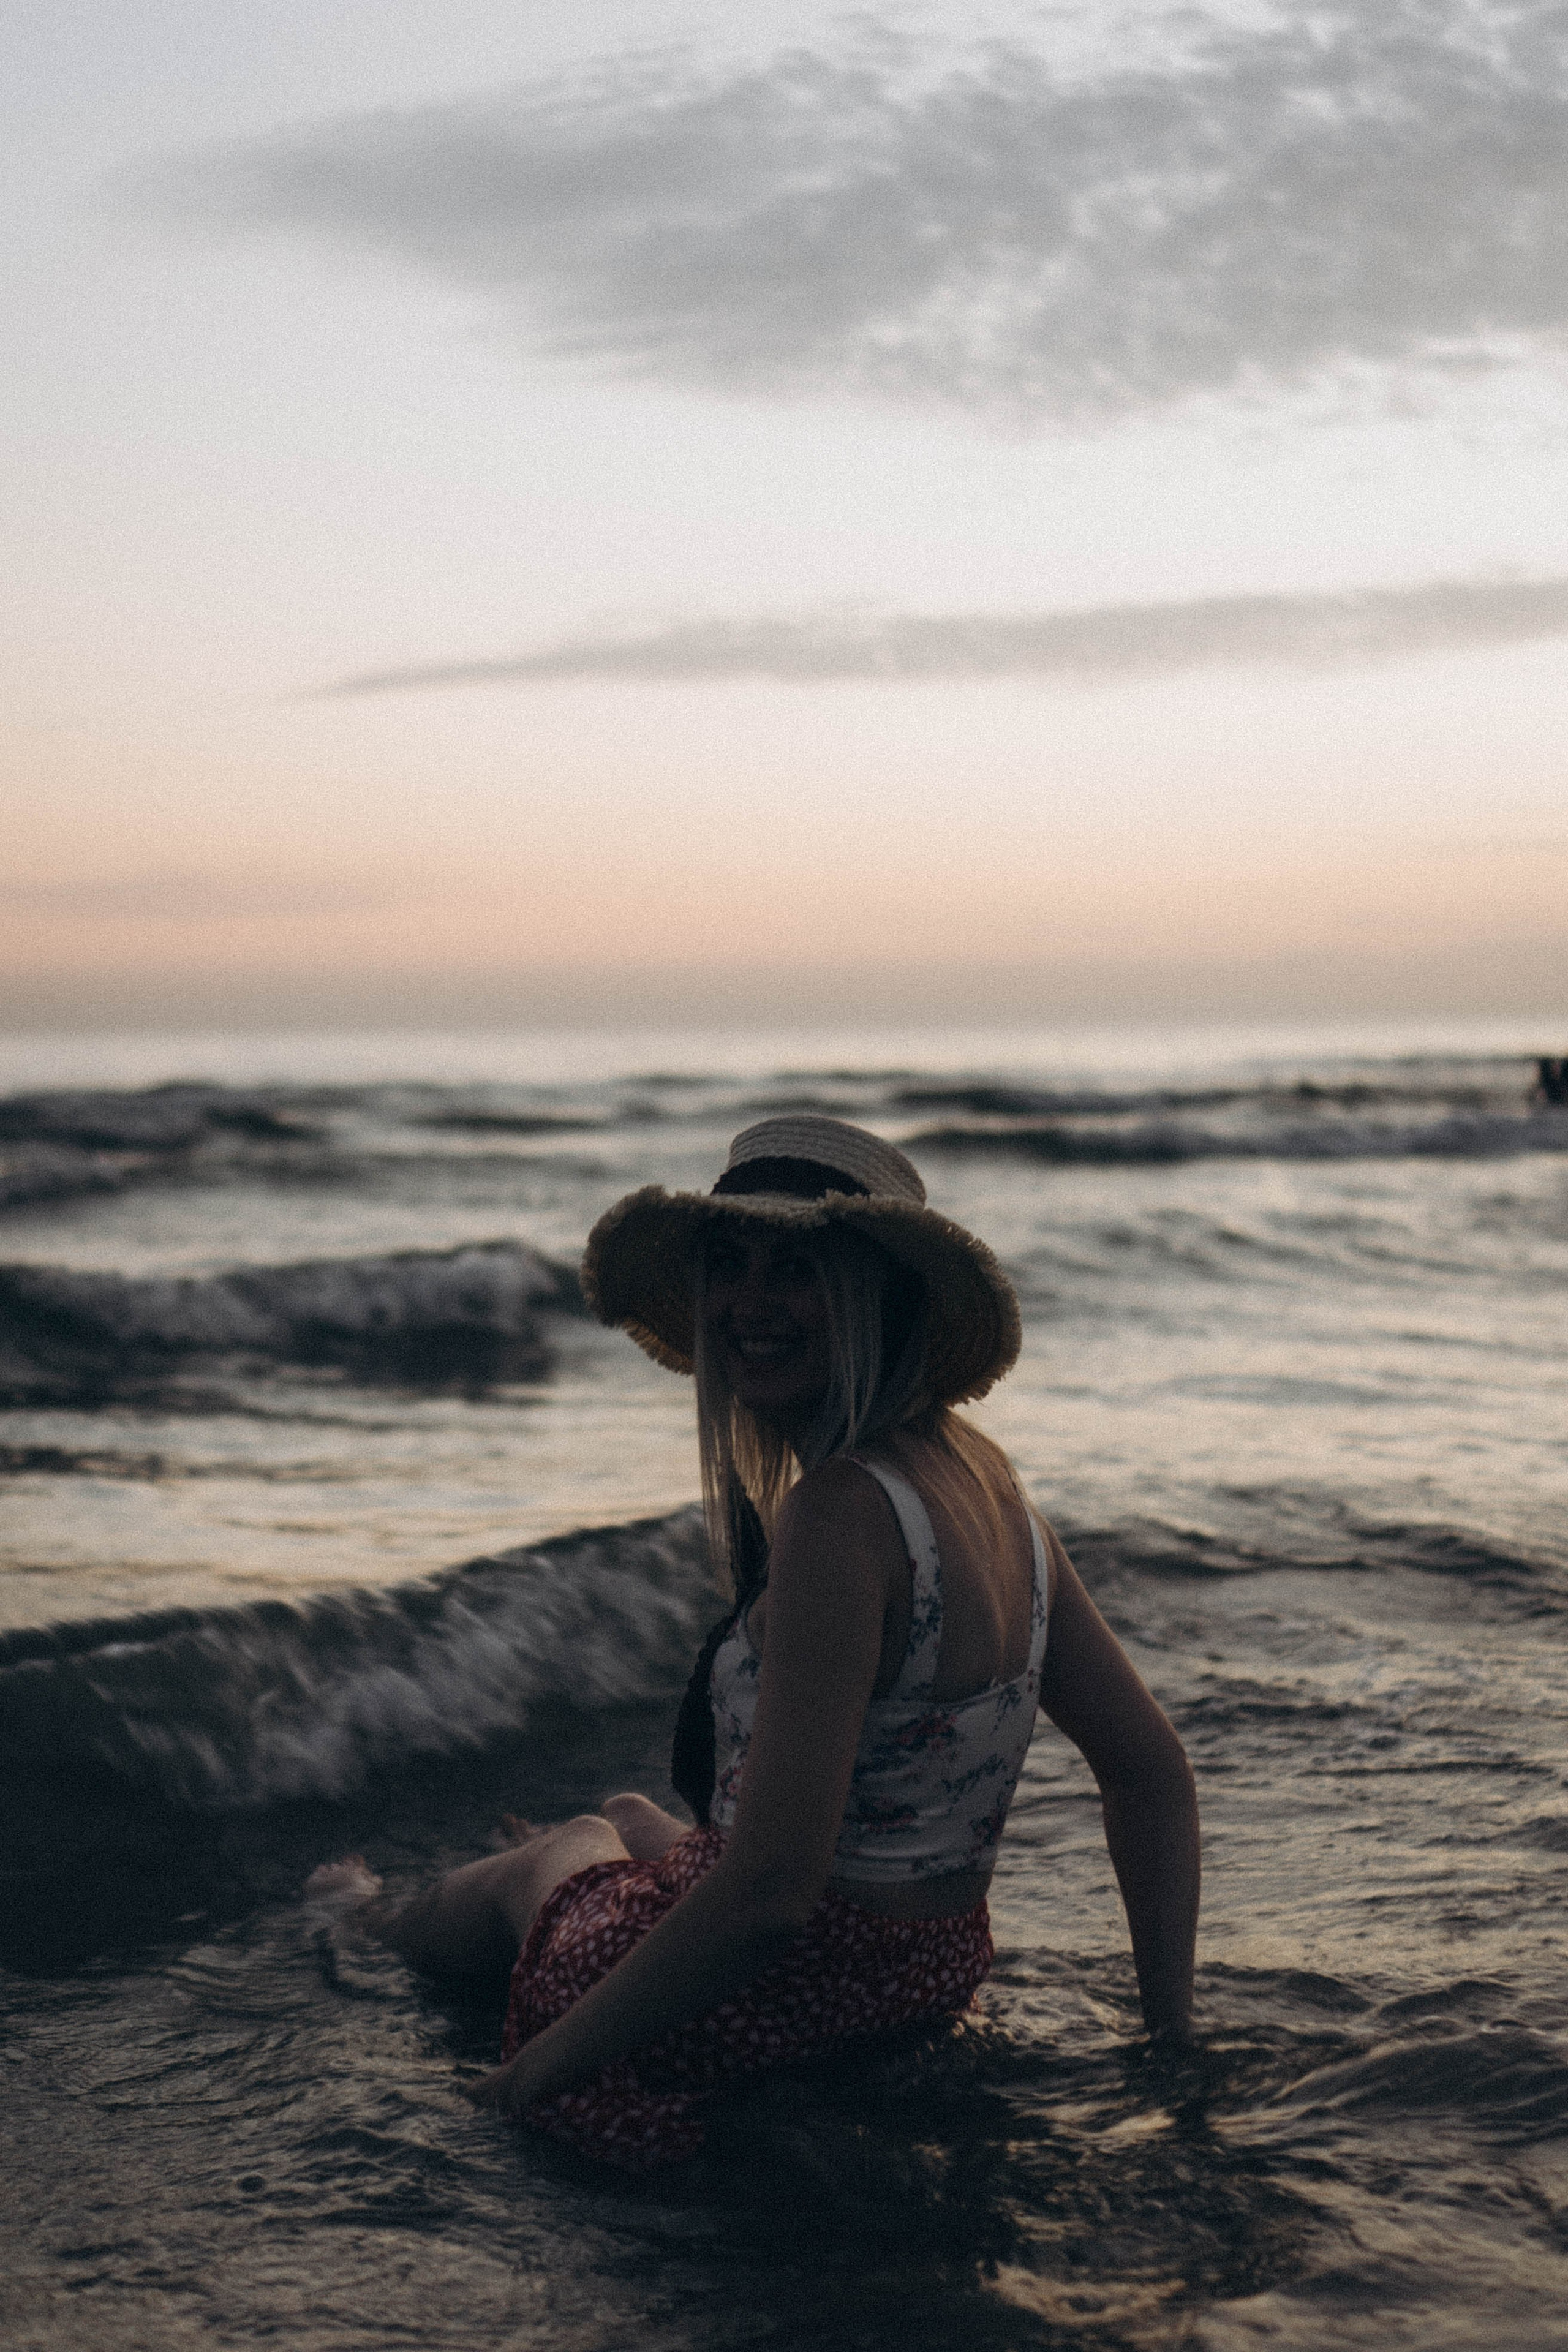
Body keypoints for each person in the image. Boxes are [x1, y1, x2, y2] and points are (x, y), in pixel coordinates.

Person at [309, 1115, 1199, 2168]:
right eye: (728, 1264)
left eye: (797, 1270)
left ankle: (368, 1918)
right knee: (631, 1817)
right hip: (919, 1980)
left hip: (767, 2006)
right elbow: (1151, 1772)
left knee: (550, 1856)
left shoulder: (841, 1514)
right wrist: (1169, 2039)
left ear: (877, 1297)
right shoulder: (990, 1489)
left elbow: (775, 1894)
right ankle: (604, 1860)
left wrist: (529, 2076)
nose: (748, 1301)